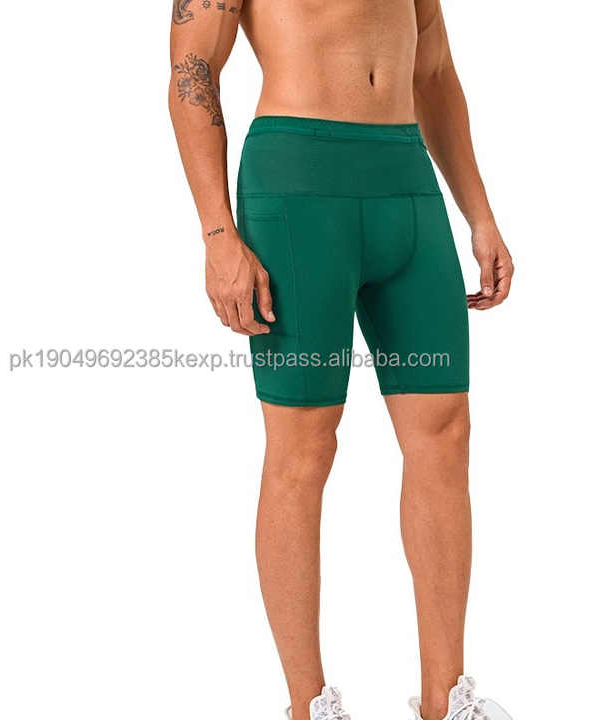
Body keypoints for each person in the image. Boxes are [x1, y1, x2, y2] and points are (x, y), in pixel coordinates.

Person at [168, 2, 515, 719]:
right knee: (304, 449)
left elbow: (433, 71)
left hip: (407, 185)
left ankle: (447, 699)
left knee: (445, 432)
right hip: (298, 186)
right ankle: (310, 705)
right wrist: (217, 234)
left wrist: (479, 214)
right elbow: (193, 70)